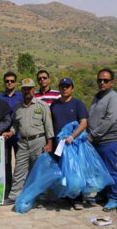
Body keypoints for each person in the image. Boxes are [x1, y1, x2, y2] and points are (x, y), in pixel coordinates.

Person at [2, 78, 54, 206]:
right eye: (24, 89)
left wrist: (50, 143)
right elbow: (15, 125)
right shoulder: (18, 107)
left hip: (39, 142)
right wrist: (11, 132)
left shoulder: (43, 106)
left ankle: (41, 198)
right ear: (22, 90)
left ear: (34, 90)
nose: (27, 91)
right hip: (23, 143)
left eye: (29, 88)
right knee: (19, 170)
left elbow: (49, 126)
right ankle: (14, 196)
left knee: (40, 170)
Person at [50, 78, 89, 210]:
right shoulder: (54, 105)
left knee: (75, 171)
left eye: (67, 86)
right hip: (59, 145)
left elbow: (84, 123)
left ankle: (77, 198)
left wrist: (72, 137)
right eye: (62, 86)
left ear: (72, 89)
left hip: (73, 144)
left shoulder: (78, 103)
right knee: (62, 171)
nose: (64, 88)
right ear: (59, 89)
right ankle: (65, 197)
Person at [87, 68, 117, 212]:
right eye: (99, 80)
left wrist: (93, 134)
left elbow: (110, 120)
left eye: (105, 80)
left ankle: (114, 198)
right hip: (96, 141)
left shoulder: (114, 98)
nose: (102, 82)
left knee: (110, 169)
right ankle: (102, 194)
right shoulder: (97, 96)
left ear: (111, 82)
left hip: (107, 141)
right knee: (99, 170)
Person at [0, 72, 23, 196]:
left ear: (15, 82)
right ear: (4, 82)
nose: (9, 83)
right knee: (6, 162)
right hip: (4, 135)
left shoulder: (21, 96)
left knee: (20, 162)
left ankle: (19, 188)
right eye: (7, 81)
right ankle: (8, 189)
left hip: (18, 133)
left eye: (12, 81)